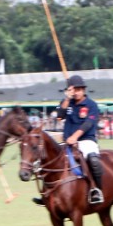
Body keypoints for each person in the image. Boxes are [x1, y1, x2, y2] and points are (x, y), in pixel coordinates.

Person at [35, 74, 104, 206]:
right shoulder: (66, 103)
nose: (77, 92)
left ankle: (96, 189)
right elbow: (60, 116)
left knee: (93, 160)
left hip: (86, 140)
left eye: (79, 89)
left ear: (83, 89)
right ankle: (46, 192)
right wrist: (67, 98)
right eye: (74, 89)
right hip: (67, 142)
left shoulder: (91, 105)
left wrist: (75, 137)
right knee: (47, 158)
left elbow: (89, 124)